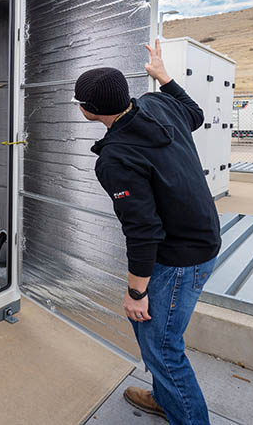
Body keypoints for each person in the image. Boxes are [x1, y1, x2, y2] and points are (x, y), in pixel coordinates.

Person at [72, 39, 221, 424]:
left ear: (89, 111)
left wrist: (136, 291)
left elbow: (143, 231)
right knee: (158, 339)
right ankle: (167, 398)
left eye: (80, 103)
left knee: (162, 348)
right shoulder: (157, 104)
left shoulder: (115, 157)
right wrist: (164, 78)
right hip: (203, 238)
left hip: (178, 258)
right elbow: (195, 113)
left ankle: (187, 415)